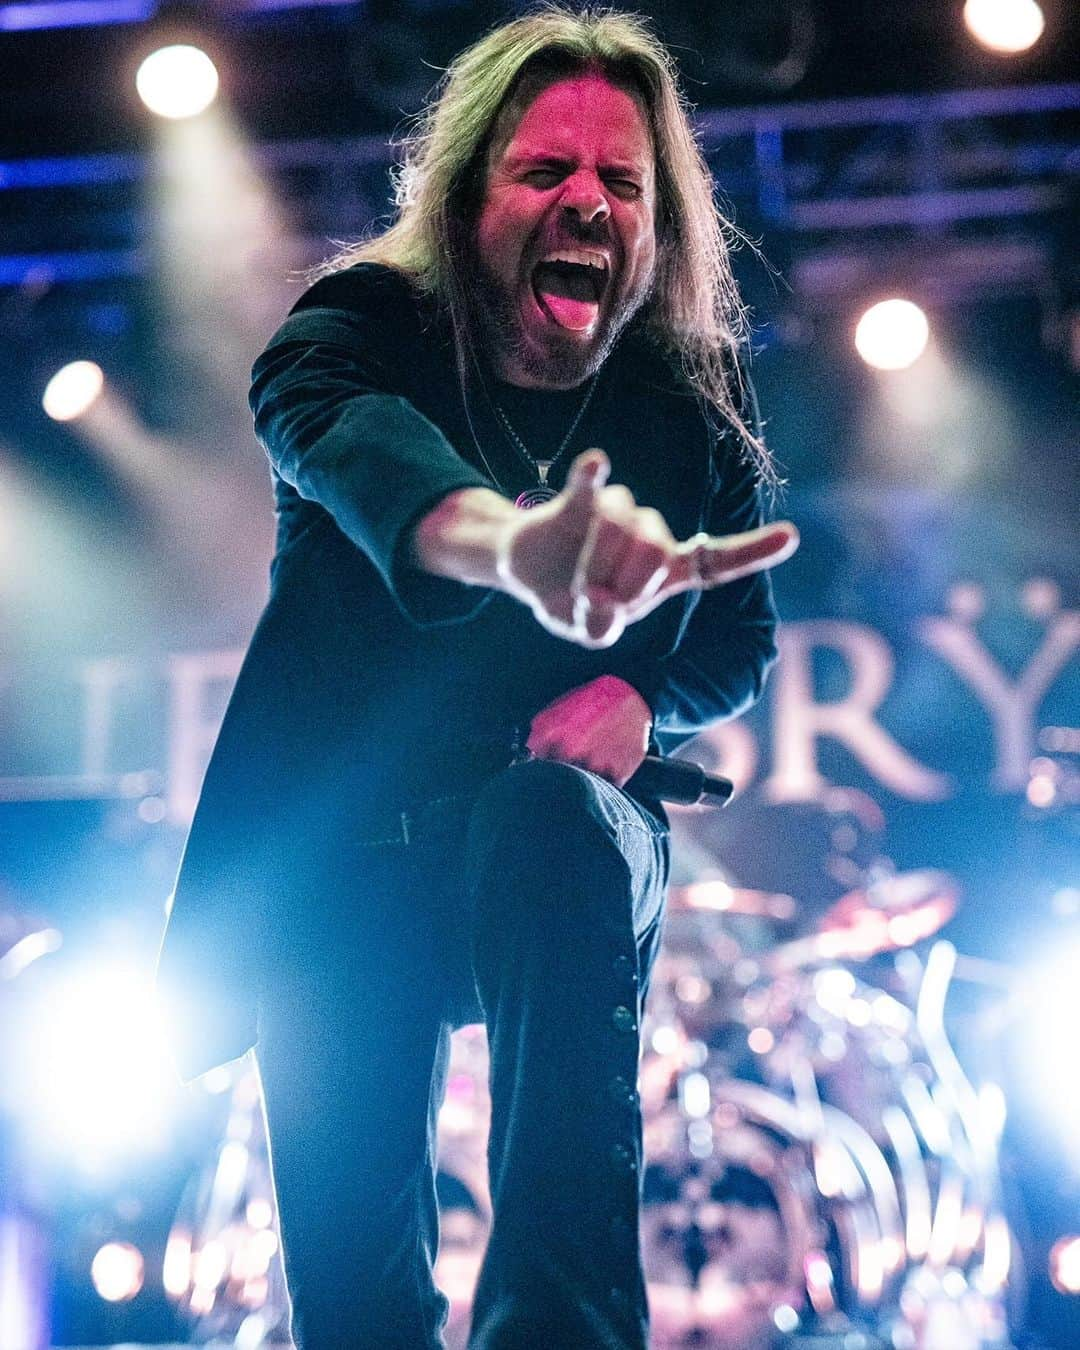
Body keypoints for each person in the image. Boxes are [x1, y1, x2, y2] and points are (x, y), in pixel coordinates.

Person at [156, 8, 798, 1348]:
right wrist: (515, 543)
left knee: (551, 823)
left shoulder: (688, 405)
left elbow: (735, 642)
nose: (586, 201)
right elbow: (360, 450)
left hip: (549, 844)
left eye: (622, 182)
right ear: (463, 199)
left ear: (659, 223)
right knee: (357, 1299)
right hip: (345, 861)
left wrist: (641, 700)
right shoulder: (357, 330)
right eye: (544, 171)